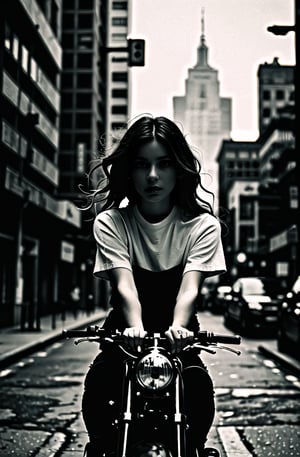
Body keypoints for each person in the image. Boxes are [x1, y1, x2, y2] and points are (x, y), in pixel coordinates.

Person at [81, 115, 226, 457]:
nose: (152, 176)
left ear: (179, 170)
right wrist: (133, 328)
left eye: (164, 164)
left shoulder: (202, 226)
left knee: (198, 387)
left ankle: (194, 450)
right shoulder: (112, 221)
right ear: (128, 171)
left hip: (180, 335)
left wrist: (179, 328)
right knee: (101, 383)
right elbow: (124, 286)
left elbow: (189, 289)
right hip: (125, 334)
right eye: (141, 164)